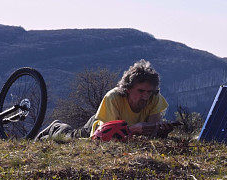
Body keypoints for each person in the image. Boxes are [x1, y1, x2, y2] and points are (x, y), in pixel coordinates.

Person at [35, 60, 174, 141]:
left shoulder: (155, 98)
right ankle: (56, 126)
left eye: (149, 92)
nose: (145, 96)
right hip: (98, 129)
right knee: (70, 137)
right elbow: (107, 136)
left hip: (115, 127)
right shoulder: (113, 97)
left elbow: (152, 130)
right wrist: (135, 129)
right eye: (141, 91)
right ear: (128, 89)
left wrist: (161, 131)